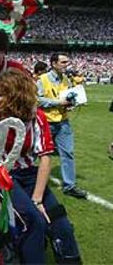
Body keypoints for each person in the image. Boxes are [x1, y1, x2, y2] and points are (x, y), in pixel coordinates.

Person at [0, 69, 82, 264]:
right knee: (34, 221)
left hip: (30, 174)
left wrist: (38, 199)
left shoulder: (36, 117)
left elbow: (45, 157)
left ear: (14, 95)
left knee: (60, 221)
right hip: (3, 177)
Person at [37, 53, 87, 198]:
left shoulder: (66, 80)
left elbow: (65, 97)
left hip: (63, 121)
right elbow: (38, 100)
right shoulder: (42, 79)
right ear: (53, 63)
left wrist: (69, 105)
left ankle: (69, 186)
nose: (66, 64)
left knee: (68, 153)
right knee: (36, 153)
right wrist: (59, 103)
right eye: (63, 62)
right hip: (46, 122)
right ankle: (24, 178)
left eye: (67, 62)